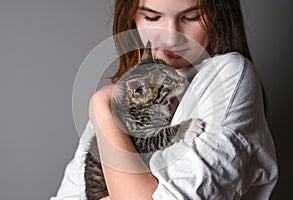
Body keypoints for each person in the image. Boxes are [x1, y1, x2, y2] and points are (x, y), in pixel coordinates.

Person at [50, 0, 278, 199]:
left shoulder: (227, 76)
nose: (171, 36)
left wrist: (100, 105)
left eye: (191, 17)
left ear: (217, 14)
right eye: (152, 17)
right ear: (132, 17)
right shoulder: (129, 91)